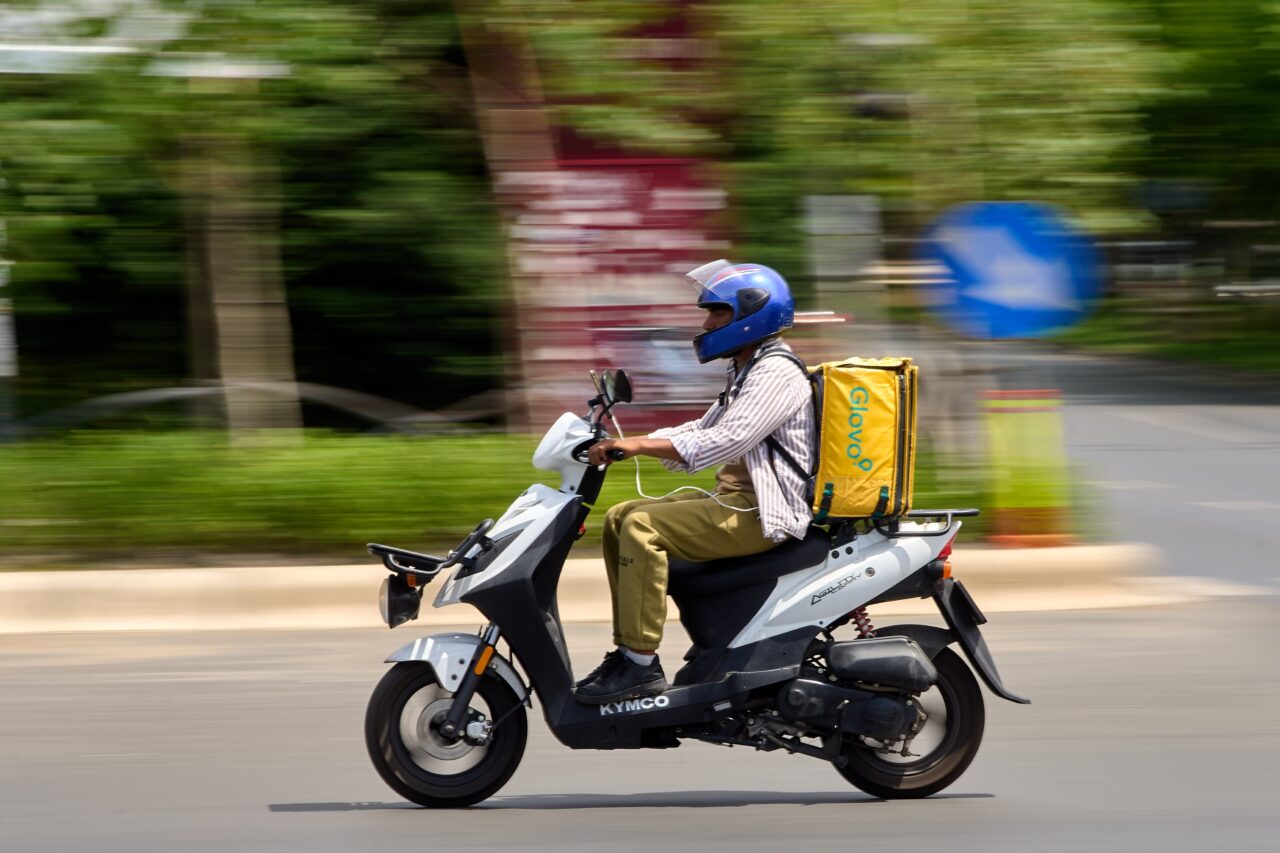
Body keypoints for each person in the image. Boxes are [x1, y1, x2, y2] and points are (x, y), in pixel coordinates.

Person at [575, 260, 815, 704]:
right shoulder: (748, 369)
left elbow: (725, 441)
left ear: (752, 312)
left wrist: (643, 447)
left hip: (764, 511)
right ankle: (629, 653)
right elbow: (702, 429)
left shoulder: (775, 372)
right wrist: (627, 443)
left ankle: (640, 664)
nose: (707, 324)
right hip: (739, 500)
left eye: (718, 313)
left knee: (642, 528)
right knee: (619, 516)